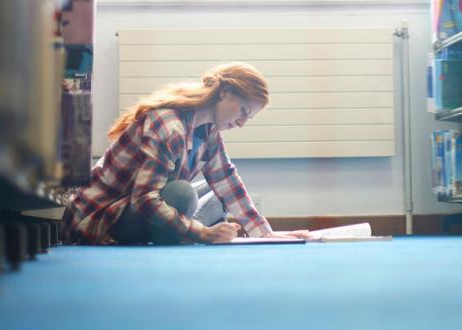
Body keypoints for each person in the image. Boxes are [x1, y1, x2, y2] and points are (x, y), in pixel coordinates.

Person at [62, 63, 309, 245]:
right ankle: (186, 232)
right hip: (98, 218)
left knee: (215, 193)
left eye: (249, 117)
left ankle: (182, 230)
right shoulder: (169, 126)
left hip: (137, 208)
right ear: (224, 93)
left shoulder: (209, 131)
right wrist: (201, 232)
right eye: (243, 111)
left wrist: (265, 233)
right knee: (182, 193)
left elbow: (226, 179)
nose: (242, 123)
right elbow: (145, 199)